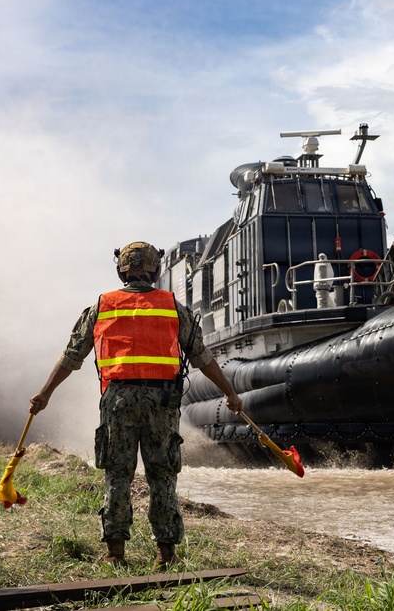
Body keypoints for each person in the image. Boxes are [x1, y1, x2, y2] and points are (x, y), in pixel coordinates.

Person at [29, 241, 243, 569]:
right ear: (155, 271)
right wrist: (229, 392)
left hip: (118, 402)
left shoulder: (102, 306)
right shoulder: (173, 307)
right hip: (162, 402)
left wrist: (45, 394)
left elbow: (71, 356)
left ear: (121, 270)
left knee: (118, 475)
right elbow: (203, 358)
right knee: (162, 476)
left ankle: (115, 554)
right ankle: (165, 555)